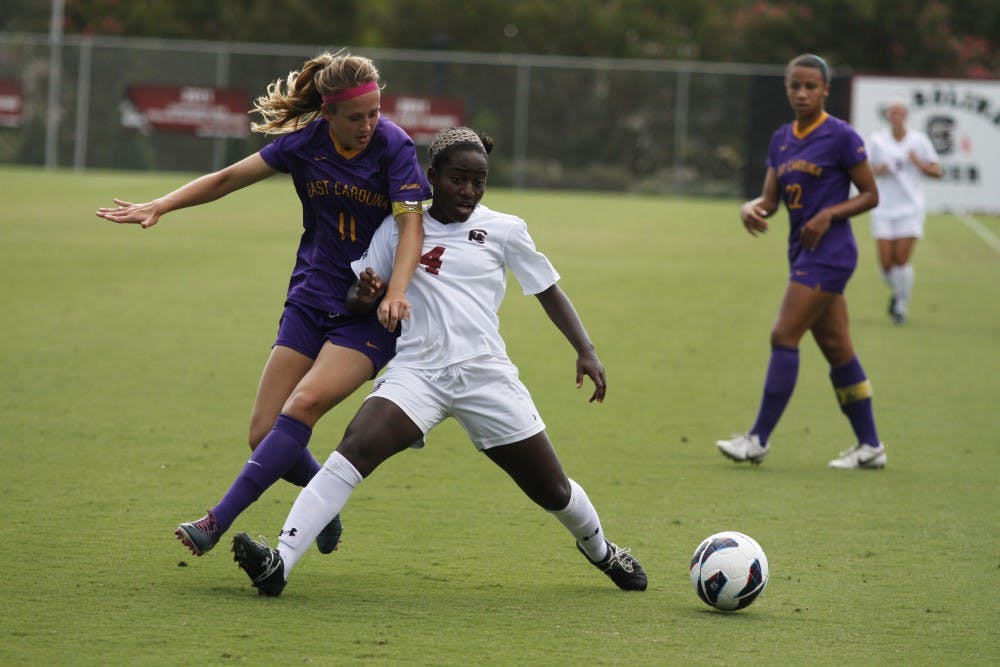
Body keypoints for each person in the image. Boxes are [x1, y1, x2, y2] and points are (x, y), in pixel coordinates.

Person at [229, 127, 647, 596]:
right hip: (417, 374)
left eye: (478, 181)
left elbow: (548, 290)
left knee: (552, 490)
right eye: (458, 179)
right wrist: (365, 295)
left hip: (484, 377)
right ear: (432, 177)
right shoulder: (400, 227)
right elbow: (358, 297)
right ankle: (279, 562)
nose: (468, 191)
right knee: (355, 447)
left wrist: (585, 349)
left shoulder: (505, 229)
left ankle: (602, 550)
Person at [96, 51, 432, 556]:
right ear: (328, 115)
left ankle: (214, 521)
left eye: (375, 112)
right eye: (356, 117)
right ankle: (324, 507)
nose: (369, 125)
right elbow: (228, 178)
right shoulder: (305, 144)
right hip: (310, 295)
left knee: (301, 409)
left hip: (368, 311)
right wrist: (162, 204)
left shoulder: (393, 146)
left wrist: (398, 291)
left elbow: (412, 227)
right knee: (263, 433)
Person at [715, 54, 887, 470]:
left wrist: (830, 213)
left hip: (832, 255)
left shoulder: (842, 136)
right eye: (796, 86)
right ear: (787, 88)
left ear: (826, 90)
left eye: (812, 86)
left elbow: (870, 194)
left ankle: (757, 439)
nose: (803, 93)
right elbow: (771, 202)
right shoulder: (781, 139)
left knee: (783, 335)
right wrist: (749, 208)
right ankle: (870, 447)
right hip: (802, 254)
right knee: (836, 349)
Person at [867, 97, 942, 325]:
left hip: (910, 208)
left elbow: (936, 171)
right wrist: (878, 170)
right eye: (892, 113)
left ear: (906, 116)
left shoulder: (918, 141)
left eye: (900, 113)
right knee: (886, 264)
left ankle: (900, 306)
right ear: (888, 116)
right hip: (883, 207)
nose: (896, 117)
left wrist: (917, 163)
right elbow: (865, 170)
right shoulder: (877, 140)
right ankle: (899, 293)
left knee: (901, 259)